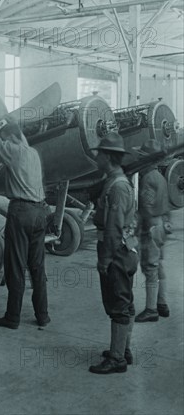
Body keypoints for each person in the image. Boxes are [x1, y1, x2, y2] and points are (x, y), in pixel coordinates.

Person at [0, 114, 49, 330]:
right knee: (37, 268)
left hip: (21, 212)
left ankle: (12, 317)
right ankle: (43, 315)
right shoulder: (33, 153)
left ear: (9, 137)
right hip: (40, 212)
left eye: (5, 137)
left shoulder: (11, 151)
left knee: (16, 267)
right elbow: (19, 139)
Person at [88, 132, 138, 375]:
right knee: (125, 302)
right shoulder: (117, 182)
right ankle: (123, 349)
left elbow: (114, 227)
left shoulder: (117, 187)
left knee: (118, 304)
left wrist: (104, 259)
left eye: (99, 153)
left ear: (108, 157)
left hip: (116, 251)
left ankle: (117, 358)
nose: (96, 157)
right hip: (125, 249)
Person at [135, 139, 171, 322]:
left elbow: (147, 207)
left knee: (150, 268)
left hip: (152, 226)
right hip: (162, 224)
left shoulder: (148, 178)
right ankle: (162, 303)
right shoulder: (160, 177)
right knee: (159, 266)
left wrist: (142, 229)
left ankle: (151, 310)